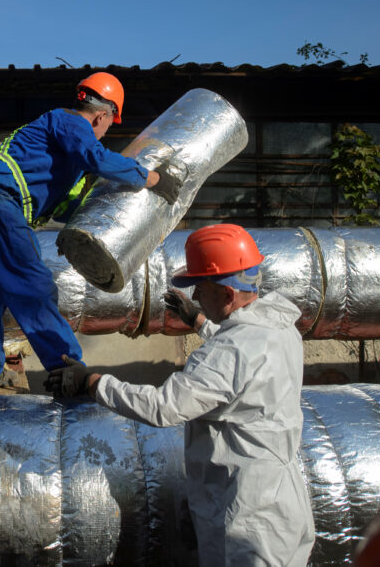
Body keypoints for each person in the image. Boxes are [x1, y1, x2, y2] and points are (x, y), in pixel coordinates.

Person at [46, 224, 315, 566]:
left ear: (228, 295)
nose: (196, 297)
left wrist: (93, 383)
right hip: (283, 502)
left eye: (201, 289)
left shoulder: (228, 354)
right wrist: (202, 322)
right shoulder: (280, 329)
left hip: (246, 518)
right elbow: (242, 361)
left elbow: (164, 407)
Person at [0, 72, 181, 391]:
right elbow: (97, 156)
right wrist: (152, 179)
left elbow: (60, 209)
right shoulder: (70, 121)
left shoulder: (57, 147)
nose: (103, 134)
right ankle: (66, 366)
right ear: (102, 115)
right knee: (33, 284)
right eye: (107, 127)